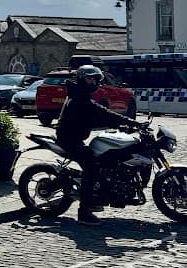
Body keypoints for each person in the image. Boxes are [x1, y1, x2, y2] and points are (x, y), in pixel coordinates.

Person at [55, 65, 140, 225]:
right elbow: (99, 112)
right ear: (81, 79)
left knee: (104, 159)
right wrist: (127, 121)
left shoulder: (81, 94)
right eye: (90, 78)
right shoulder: (79, 97)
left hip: (75, 138)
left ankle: (96, 196)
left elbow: (98, 113)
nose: (93, 82)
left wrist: (123, 123)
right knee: (91, 166)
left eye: (95, 79)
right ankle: (84, 211)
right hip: (69, 140)